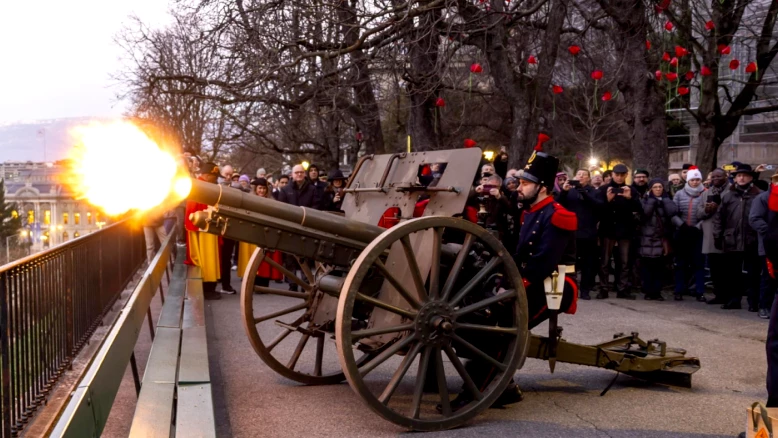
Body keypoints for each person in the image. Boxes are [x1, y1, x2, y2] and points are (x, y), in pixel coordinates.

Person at [714, 163, 763, 310]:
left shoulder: (758, 195)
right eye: (738, 175)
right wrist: (717, 235)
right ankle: (733, 300)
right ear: (735, 178)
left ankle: (753, 301)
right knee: (732, 272)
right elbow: (719, 217)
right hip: (732, 238)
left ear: (750, 178)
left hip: (752, 239)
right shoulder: (729, 196)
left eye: (744, 175)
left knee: (753, 273)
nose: (741, 178)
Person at [556, 169, 603, 300]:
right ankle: (571, 289)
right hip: (571, 233)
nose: (580, 177)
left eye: (584, 175)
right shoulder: (569, 191)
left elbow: (598, 205)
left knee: (588, 264)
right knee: (571, 263)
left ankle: (585, 290)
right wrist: (564, 191)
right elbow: (557, 204)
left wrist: (584, 192)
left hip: (588, 233)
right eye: (578, 174)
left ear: (589, 179)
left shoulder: (594, 191)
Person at [597, 163, 641, 299]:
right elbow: (597, 210)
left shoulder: (631, 190)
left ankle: (622, 288)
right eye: (617, 175)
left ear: (626, 175)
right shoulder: (604, 189)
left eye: (622, 175)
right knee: (604, 261)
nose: (620, 178)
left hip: (625, 230)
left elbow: (640, 209)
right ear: (612, 175)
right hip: (608, 229)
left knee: (624, 261)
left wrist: (629, 198)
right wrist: (608, 200)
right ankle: (603, 288)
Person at [236, 178, 284, 287]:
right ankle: (251, 281)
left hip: (265, 233)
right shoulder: (249, 200)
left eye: (264, 188)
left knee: (265, 259)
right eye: (260, 188)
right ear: (255, 189)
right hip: (252, 233)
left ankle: (263, 282)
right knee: (251, 257)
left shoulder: (272, 201)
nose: (262, 191)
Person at [184, 162, 222, 300]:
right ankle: (207, 288)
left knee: (209, 258)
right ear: (207, 175)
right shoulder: (200, 187)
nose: (216, 179)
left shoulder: (202, 186)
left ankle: (209, 287)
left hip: (207, 227)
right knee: (207, 258)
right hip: (204, 229)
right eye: (214, 176)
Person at [671, 166, 707, 302]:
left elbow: (708, 215)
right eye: (693, 179)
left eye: (698, 179)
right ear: (688, 180)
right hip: (682, 232)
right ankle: (679, 290)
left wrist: (698, 227)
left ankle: (699, 291)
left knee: (698, 263)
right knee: (681, 263)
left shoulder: (705, 193)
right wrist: (681, 225)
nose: (695, 182)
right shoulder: (680, 194)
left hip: (698, 233)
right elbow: (673, 212)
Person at [638, 179, 677, 300]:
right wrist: (651, 201)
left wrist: (665, 201)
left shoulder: (667, 200)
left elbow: (673, 213)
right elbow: (644, 215)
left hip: (662, 238)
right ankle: (648, 291)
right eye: (655, 187)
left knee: (659, 268)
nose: (658, 189)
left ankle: (657, 291)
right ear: (650, 189)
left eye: (660, 187)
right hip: (647, 238)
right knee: (647, 267)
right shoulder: (645, 201)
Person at [697, 168, 729, 304]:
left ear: (725, 177)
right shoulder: (706, 193)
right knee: (714, 267)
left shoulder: (731, 191)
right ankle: (719, 295)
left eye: (719, 176)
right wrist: (707, 209)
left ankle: (730, 295)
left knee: (727, 268)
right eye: (713, 177)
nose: (715, 179)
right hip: (711, 234)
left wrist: (719, 208)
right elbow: (698, 213)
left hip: (727, 233)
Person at [749, 171, 777, 318]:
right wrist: (772, 232)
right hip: (769, 245)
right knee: (768, 277)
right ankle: (764, 306)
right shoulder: (763, 198)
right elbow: (754, 219)